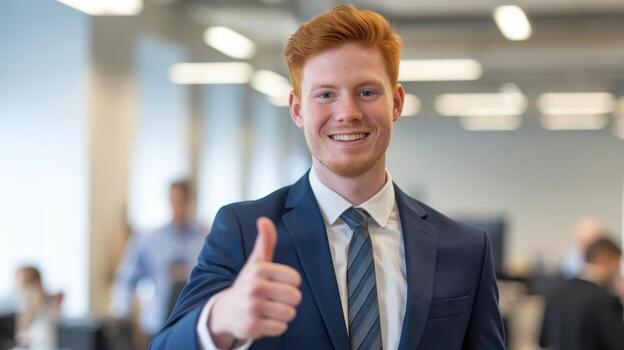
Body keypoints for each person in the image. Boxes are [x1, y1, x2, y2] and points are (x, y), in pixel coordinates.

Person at [150, 5, 504, 350]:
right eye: (325, 95)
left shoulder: (465, 250)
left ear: (396, 102)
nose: (347, 113)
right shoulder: (244, 231)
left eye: (367, 92)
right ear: (297, 110)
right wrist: (221, 320)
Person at [110, 180, 205, 338]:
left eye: (182, 201)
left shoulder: (205, 239)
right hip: (157, 327)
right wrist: (121, 318)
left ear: (191, 201)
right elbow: (126, 279)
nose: (177, 207)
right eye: (173, 201)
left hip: (194, 327)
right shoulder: (150, 240)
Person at [540, 237, 624, 350]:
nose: (617, 272)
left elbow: (543, 340)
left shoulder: (556, 293)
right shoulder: (604, 300)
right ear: (604, 258)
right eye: (616, 264)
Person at [13, 266, 62, 350]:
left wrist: (22, 337)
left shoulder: (45, 303)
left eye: (18, 279)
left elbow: (43, 335)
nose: (15, 283)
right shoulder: (27, 303)